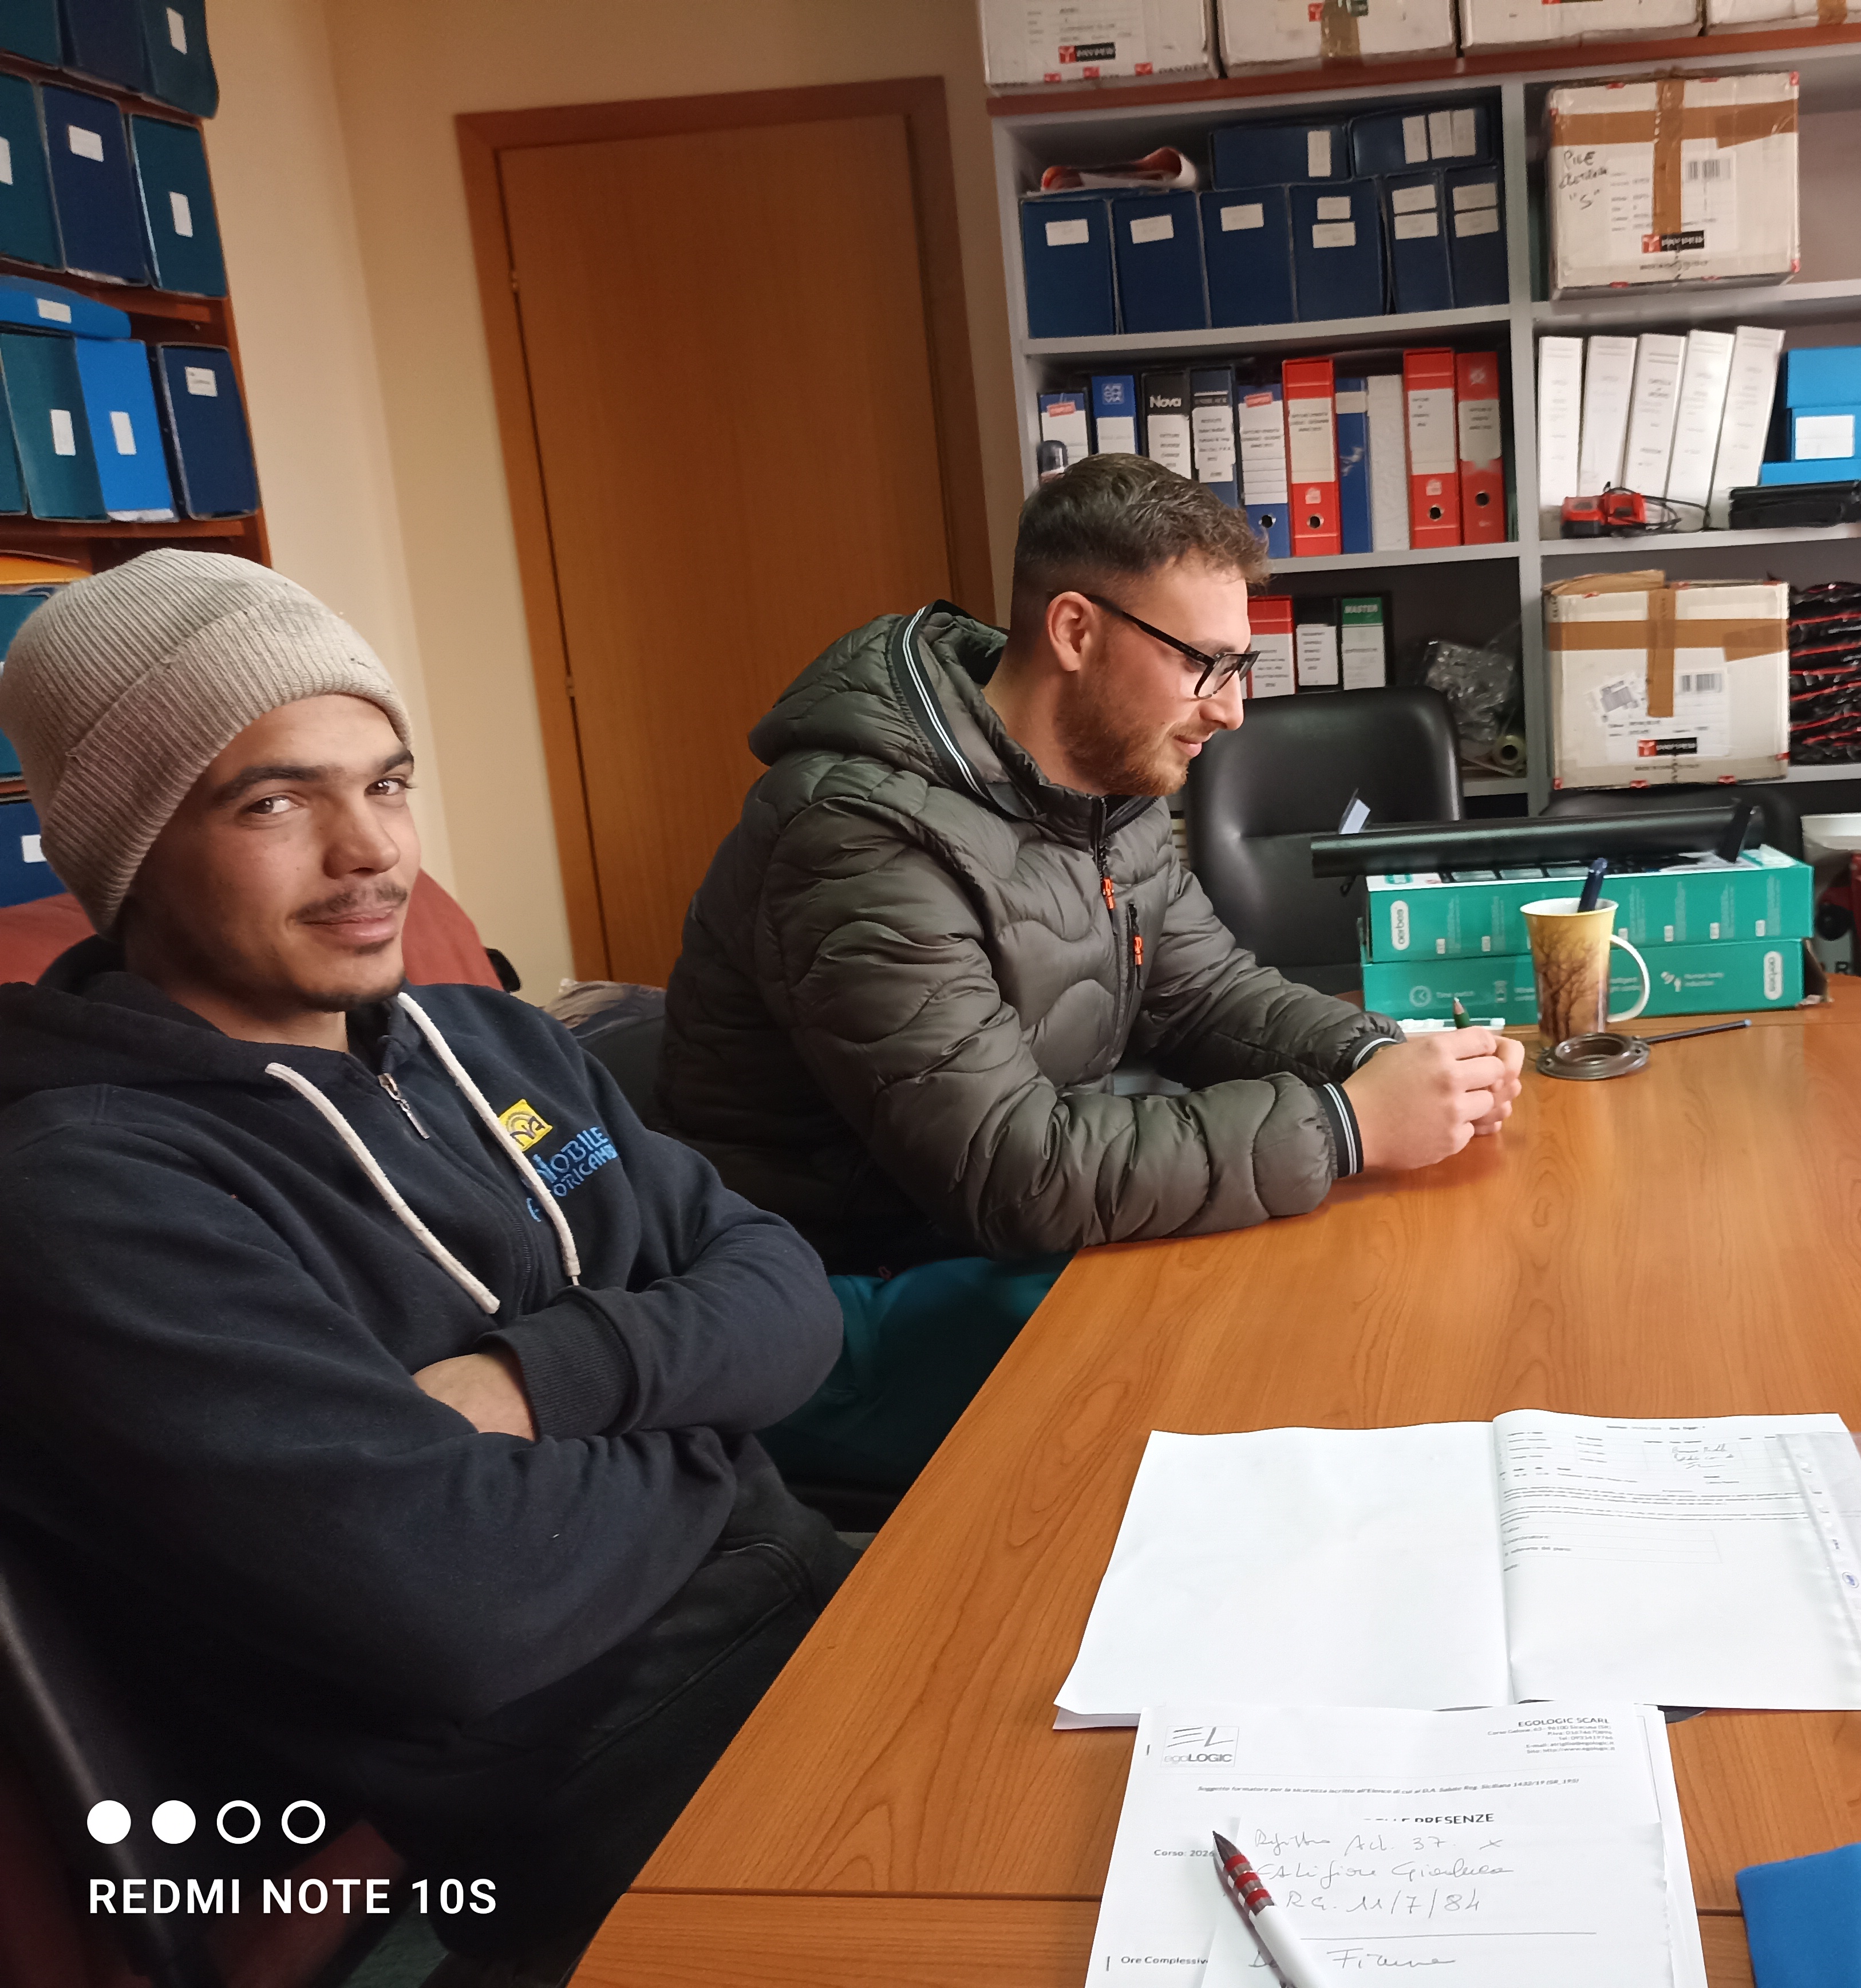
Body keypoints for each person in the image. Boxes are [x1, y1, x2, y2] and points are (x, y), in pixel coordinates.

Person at [0, 553, 851, 1980]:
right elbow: (465, 1612)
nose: (372, 852)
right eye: (275, 801)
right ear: (129, 846)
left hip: (805, 1614)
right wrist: (709, 1410)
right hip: (575, 1795)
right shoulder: (88, 1191)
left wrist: (537, 1381)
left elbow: (788, 1295)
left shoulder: (500, 1047)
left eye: (385, 783)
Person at [660, 455, 1522, 1484]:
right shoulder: (855, 837)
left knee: (1328, 1289)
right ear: (1074, 631)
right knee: (1252, 1364)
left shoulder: (1108, 787)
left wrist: (1389, 1059)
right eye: (1205, 664)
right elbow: (1011, 1170)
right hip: (823, 1299)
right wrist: (1347, 1125)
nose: (1232, 711)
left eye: (1240, 665)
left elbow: (1205, 995)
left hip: (980, 1240)